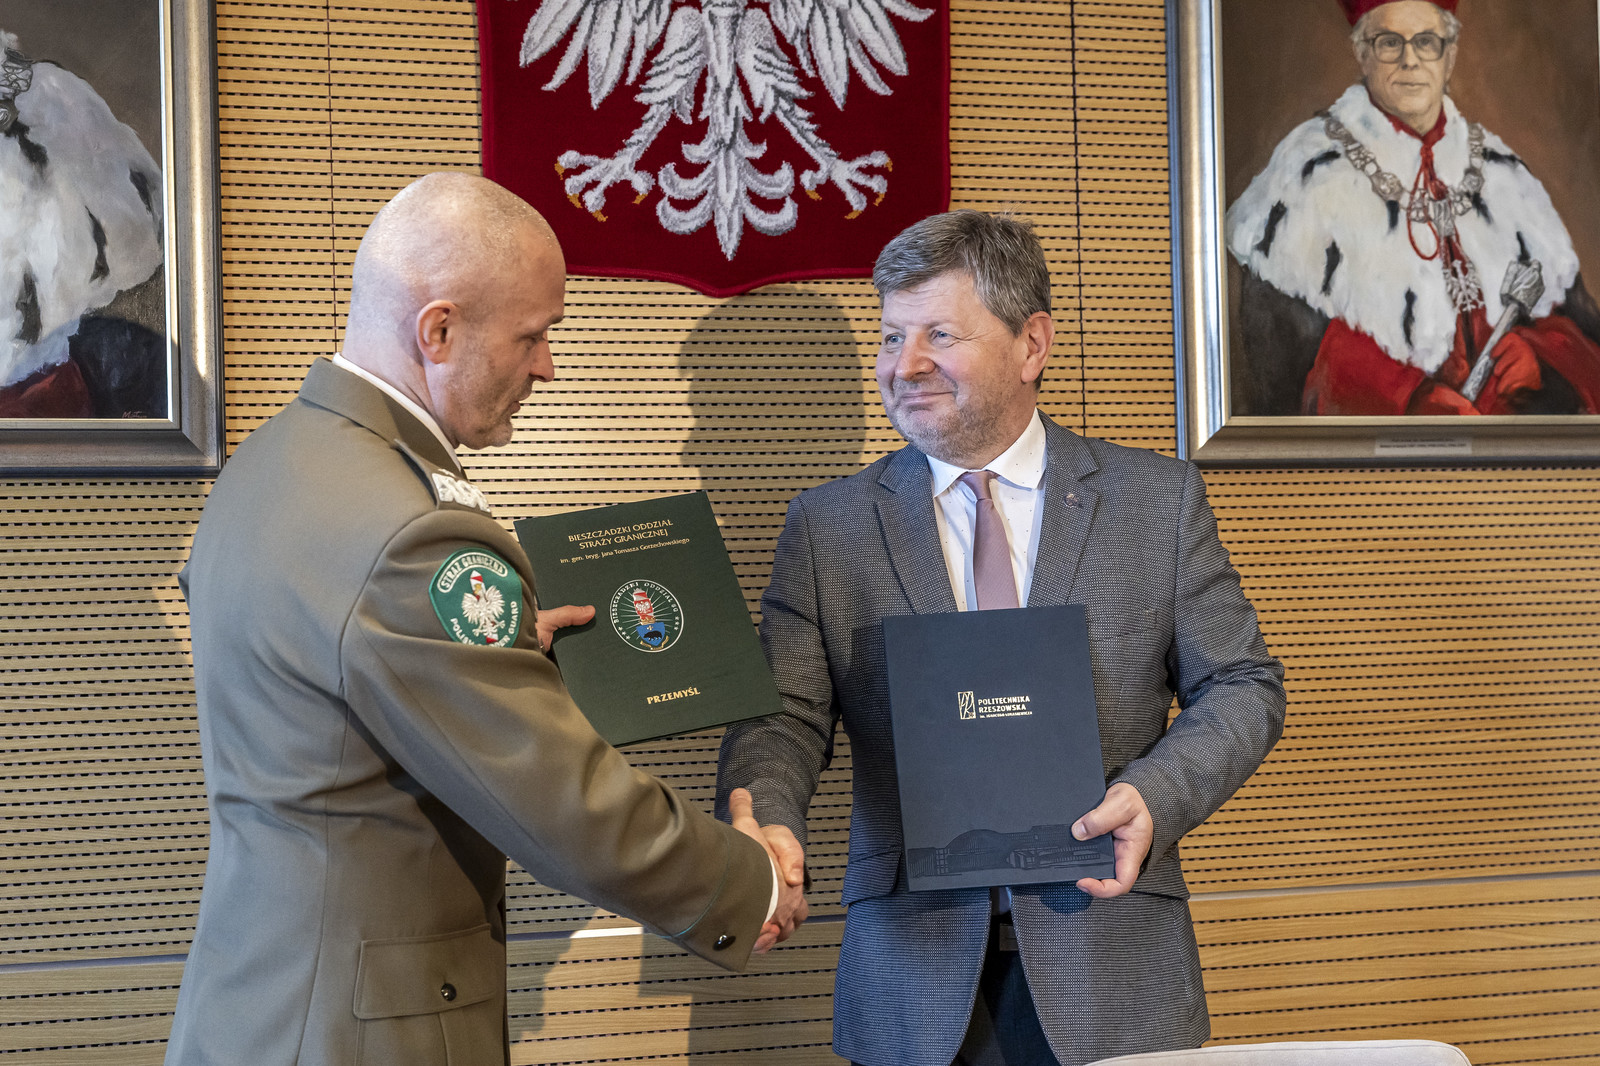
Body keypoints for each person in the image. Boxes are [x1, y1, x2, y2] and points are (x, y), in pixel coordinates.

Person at [165, 173, 806, 1066]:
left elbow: (333, 681)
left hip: (261, 998)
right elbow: (560, 801)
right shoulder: (413, 532)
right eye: (532, 336)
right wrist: (749, 884)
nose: (547, 366)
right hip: (361, 1027)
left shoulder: (274, 460)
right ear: (438, 331)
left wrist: (483, 652)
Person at [717, 210, 1286, 1066]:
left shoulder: (1156, 502)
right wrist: (765, 819)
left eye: (939, 335)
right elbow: (782, 717)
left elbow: (1242, 686)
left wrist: (1155, 795)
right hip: (912, 972)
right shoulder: (830, 527)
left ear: (1032, 345)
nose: (904, 365)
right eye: (892, 337)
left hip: (1114, 956)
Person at [1224, 0, 1600, 416]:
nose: (1410, 60)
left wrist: (1537, 356)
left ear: (1449, 55)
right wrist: (1407, 397)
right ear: (1362, 53)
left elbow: (1582, 334)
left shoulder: (1505, 174)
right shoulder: (1308, 173)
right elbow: (1280, 363)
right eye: (1389, 42)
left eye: (1426, 42)